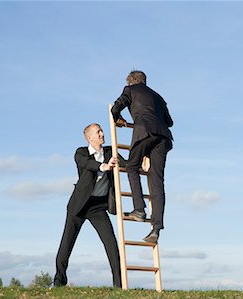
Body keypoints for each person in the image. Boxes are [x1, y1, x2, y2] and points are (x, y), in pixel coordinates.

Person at [54, 123, 125, 288]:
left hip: (98, 207)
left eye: (101, 131)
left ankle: (119, 284)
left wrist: (141, 165)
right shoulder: (81, 152)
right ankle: (59, 281)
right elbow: (86, 164)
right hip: (78, 206)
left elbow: (126, 164)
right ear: (89, 137)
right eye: (98, 132)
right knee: (67, 243)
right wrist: (103, 166)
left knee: (111, 244)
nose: (101, 134)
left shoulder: (109, 152)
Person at [111, 70, 173, 244]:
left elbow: (116, 108)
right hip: (163, 137)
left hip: (144, 131)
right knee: (157, 181)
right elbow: (169, 122)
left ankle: (139, 208)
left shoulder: (130, 90)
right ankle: (156, 229)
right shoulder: (158, 97)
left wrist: (119, 119)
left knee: (131, 167)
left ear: (131, 82)